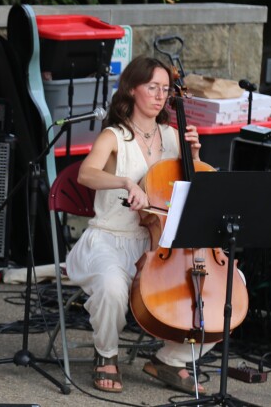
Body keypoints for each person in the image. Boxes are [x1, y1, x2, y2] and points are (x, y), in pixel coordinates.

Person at [71, 55, 209, 393]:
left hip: (158, 244)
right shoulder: (114, 135)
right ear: (133, 90)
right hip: (110, 240)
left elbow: (192, 190)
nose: (161, 95)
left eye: (165, 89)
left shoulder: (173, 137)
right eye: (153, 87)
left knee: (220, 290)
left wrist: (194, 155)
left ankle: (171, 359)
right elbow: (85, 174)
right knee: (112, 288)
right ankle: (106, 355)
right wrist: (124, 183)